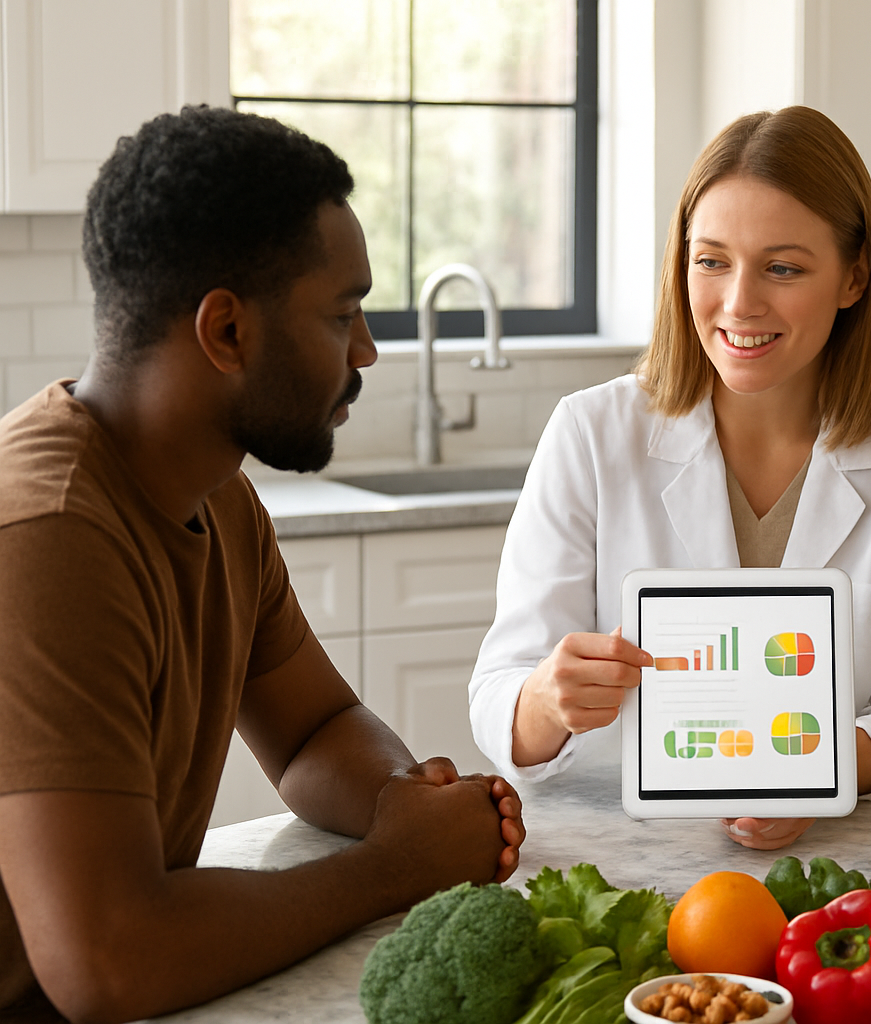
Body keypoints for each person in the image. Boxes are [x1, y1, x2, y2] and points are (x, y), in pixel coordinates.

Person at [0, 107, 524, 1023]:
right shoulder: (47, 535)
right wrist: (396, 865)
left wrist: (408, 803)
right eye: (342, 313)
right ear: (228, 333)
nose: (364, 351)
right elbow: (106, 961)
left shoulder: (215, 495)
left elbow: (315, 727)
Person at [468, 106, 871, 851]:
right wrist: (548, 700)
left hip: (834, 863)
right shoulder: (590, 433)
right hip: (618, 852)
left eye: (782, 268)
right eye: (711, 260)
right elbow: (500, 694)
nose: (739, 303)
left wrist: (820, 773)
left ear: (854, 278)